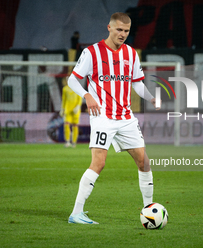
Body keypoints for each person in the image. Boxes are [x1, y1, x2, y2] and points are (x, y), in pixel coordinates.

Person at [67, 12, 158, 224]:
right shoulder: (92, 53)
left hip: (126, 117)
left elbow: (136, 83)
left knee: (144, 161)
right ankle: (76, 213)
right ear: (109, 27)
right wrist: (87, 95)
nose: (123, 34)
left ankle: (149, 211)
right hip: (103, 117)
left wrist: (151, 98)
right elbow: (73, 80)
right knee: (99, 163)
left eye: (126, 31)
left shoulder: (131, 54)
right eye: (119, 29)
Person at [60, 82, 82, 148]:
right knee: (66, 125)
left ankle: (74, 142)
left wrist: (78, 106)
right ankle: (67, 142)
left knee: (75, 126)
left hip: (76, 110)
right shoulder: (65, 89)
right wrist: (62, 109)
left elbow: (80, 98)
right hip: (67, 109)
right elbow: (64, 99)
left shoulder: (78, 88)